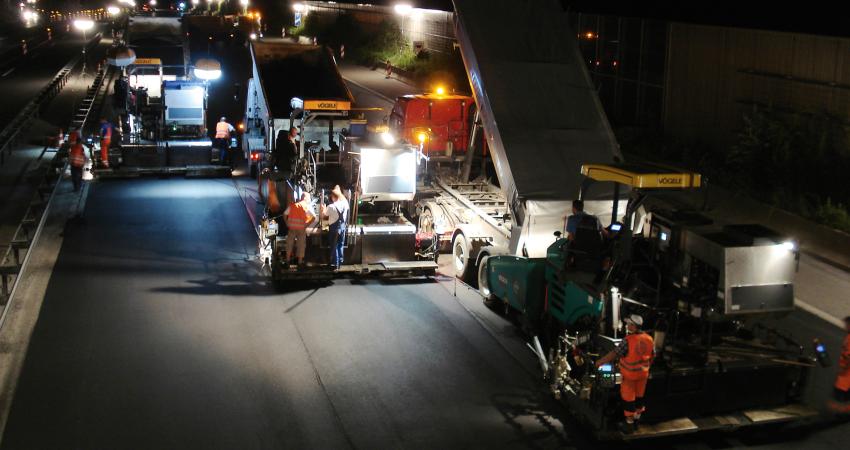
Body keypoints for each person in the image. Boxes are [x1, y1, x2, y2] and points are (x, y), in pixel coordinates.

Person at [596, 314, 655, 432]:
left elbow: (614, 354)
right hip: (643, 375)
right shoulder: (649, 338)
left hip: (630, 376)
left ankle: (629, 425)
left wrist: (600, 362)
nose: (627, 325)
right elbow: (652, 356)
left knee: (628, 398)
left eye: (628, 324)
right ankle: (637, 420)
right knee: (639, 397)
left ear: (633, 326)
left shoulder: (628, 340)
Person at [284, 192, 316, 269]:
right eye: (308, 198)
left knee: (289, 243)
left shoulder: (293, 205)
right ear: (305, 198)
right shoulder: (306, 207)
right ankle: (300, 262)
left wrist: (287, 222)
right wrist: (307, 225)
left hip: (292, 227)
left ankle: (287, 261)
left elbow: (284, 214)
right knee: (301, 244)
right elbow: (314, 217)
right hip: (301, 228)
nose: (309, 200)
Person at [321, 185, 350, 270]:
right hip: (342, 227)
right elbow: (347, 211)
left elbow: (324, 216)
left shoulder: (331, 206)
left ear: (333, 197)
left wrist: (322, 209)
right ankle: (340, 261)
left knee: (334, 245)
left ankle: (335, 264)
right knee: (340, 245)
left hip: (334, 228)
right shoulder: (345, 204)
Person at [829, 316, 850, 414]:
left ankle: (841, 413)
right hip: (844, 374)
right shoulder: (848, 336)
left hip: (846, 376)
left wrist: (843, 369)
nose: (845, 326)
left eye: (847, 324)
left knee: (840, 396)